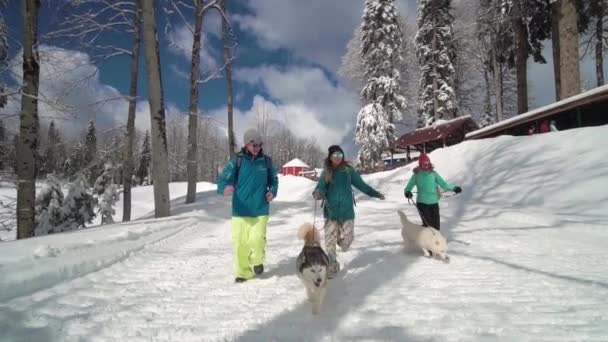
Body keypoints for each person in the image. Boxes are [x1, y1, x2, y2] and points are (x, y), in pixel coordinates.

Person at [312, 145, 385, 278]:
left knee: (347, 242)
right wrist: (318, 192)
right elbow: (321, 187)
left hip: (346, 212)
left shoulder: (348, 170)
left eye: (340, 155)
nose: (338, 158)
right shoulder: (327, 171)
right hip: (331, 212)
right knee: (329, 243)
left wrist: (376, 194)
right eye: (335, 155)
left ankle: (341, 242)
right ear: (330, 157)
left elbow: (362, 185)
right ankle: (332, 266)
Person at [217, 129, 279, 283]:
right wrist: (223, 188)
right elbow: (223, 180)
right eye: (254, 144)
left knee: (257, 240)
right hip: (240, 209)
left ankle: (257, 260)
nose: (257, 147)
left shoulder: (266, 162)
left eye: (259, 144)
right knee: (240, 244)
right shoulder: (236, 161)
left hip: (260, 208)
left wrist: (272, 191)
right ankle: (243, 272)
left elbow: (274, 180)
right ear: (246, 143)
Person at [404, 153, 461, 232]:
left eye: (428, 164)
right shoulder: (416, 175)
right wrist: (407, 192)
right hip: (422, 203)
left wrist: (454, 188)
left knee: (436, 227)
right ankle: (425, 242)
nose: (426, 166)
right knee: (428, 226)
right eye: (424, 165)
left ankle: (435, 242)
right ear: (420, 165)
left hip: (434, 203)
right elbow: (408, 187)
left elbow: (444, 184)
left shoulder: (433, 174)